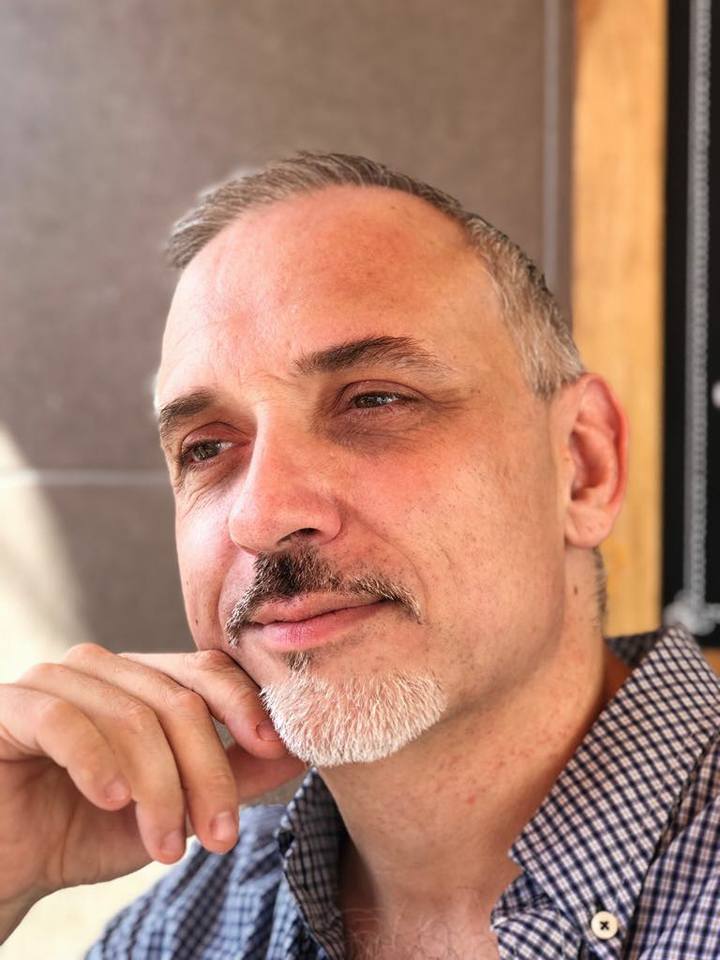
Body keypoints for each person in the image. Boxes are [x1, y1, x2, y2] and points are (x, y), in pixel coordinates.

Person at [1, 152, 719, 960]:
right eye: (207, 447)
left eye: (375, 400)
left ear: (583, 465)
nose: (262, 516)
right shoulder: (189, 927)